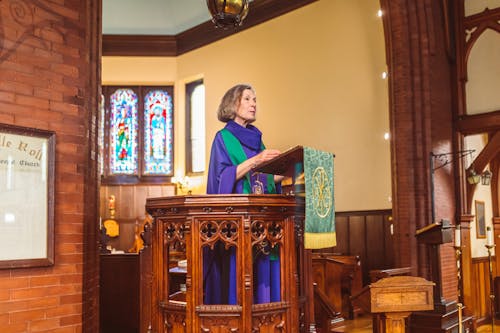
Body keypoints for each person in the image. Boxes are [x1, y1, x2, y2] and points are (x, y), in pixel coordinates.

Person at [205, 84, 282, 305]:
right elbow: (221, 180)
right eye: (247, 98)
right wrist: (257, 160)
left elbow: (262, 179)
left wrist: (287, 169)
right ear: (233, 104)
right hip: (236, 225)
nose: (254, 103)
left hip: (262, 222)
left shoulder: (257, 140)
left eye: (255, 99)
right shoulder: (223, 138)